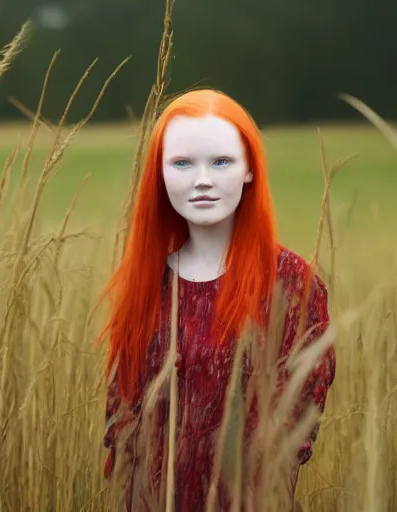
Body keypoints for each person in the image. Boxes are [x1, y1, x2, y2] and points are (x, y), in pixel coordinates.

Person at [97, 89, 336, 511]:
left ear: (249, 170)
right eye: (182, 163)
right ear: (160, 173)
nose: (202, 179)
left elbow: (294, 423)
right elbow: (128, 429)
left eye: (221, 161)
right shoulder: (148, 282)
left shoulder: (291, 283)